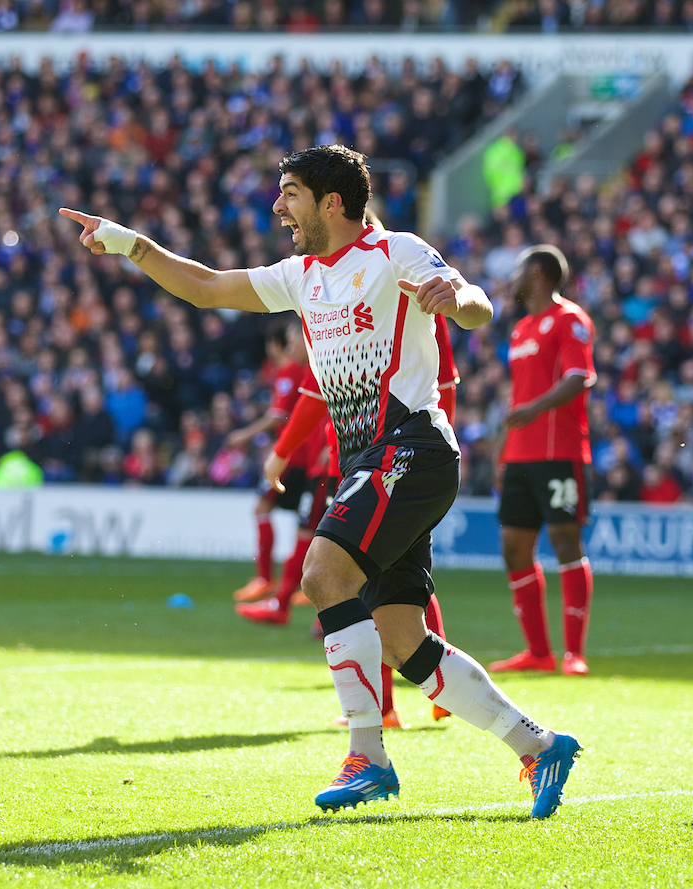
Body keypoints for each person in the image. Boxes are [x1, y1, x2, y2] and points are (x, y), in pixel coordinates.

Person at [60, 144, 580, 818]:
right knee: (401, 639)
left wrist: (460, 297)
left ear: (333, 202)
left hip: (412, 446)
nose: (278, 207)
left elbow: (476, 306)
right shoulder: (301, 274)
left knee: (323, 574)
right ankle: (538, 743)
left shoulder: (394, 252)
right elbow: (208, 285)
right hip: (375, 461)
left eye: (291, 193)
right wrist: (130, 243)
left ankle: (368, 755)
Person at [252, 312, 457, 728]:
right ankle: (441, 690)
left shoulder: (404, 299)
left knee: (356, 577)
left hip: (387, 461)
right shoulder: (331, 304)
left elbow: (446, 380)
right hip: (363, 462)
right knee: (404, 577)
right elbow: (315, 392)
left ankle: (384, 709)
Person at [491, 245, 596, 676]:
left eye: (518, 269)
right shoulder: (519, 331)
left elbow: (579, 377)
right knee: (514, 548)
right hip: (520, 456)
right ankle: (538, 652)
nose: (512, 277)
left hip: (559, 453)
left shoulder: (570, 319)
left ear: (537, 272)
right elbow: (518, 399)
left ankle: (574, 653)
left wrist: (535, 409)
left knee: (566, 542)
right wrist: (502, 453)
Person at [230, 320, 314, 605]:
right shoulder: (299, 370)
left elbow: (278, 416)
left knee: (264, 509)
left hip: (292, 457)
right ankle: (303, 583)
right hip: (306, 457)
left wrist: (244, 434)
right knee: (309, 522)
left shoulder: (290, 370)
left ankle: (266, 580)